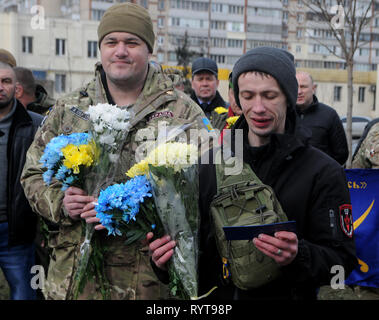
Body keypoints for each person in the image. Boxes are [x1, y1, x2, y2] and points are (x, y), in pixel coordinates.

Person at [21, 2, 210, 300]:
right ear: (101, 48)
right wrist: (61, 202)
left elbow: (206, 189)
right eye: (111, 42)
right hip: (75, 280)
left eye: (131, 42)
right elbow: (32, 174)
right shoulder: (69, 109)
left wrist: (160, 218)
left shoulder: (182, 114)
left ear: (148, 49)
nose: (120, 51)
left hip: (147, 282)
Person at [149, 47, 357, 300]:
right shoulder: (209, 165)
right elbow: (198, 258)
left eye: (270, 96)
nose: (257, 107)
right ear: (237, 98)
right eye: (247, 96)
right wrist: (165, 262)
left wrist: (298, 255)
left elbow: (341, 264)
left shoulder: (323, 172)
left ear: (289, 97)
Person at [0, 61, 43, 300]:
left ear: (16, 87)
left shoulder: (35, 125)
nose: (0, 87)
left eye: (6, 81)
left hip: (15, 232)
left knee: (24, 294)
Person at [296, 71, 348, 166]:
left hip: (321, 178)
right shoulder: (284, 115)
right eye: (296, 86)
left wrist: (324, 172)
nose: (299, 92)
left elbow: (341, 154)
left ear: (313, 88)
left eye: (303, 87)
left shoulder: (329, 115)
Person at [190, 57, 228, 131]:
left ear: (217, 82)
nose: (204, 84)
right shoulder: (182, 113)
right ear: (192, 83)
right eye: (200, 79)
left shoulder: (228, 113)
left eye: (209, 79)